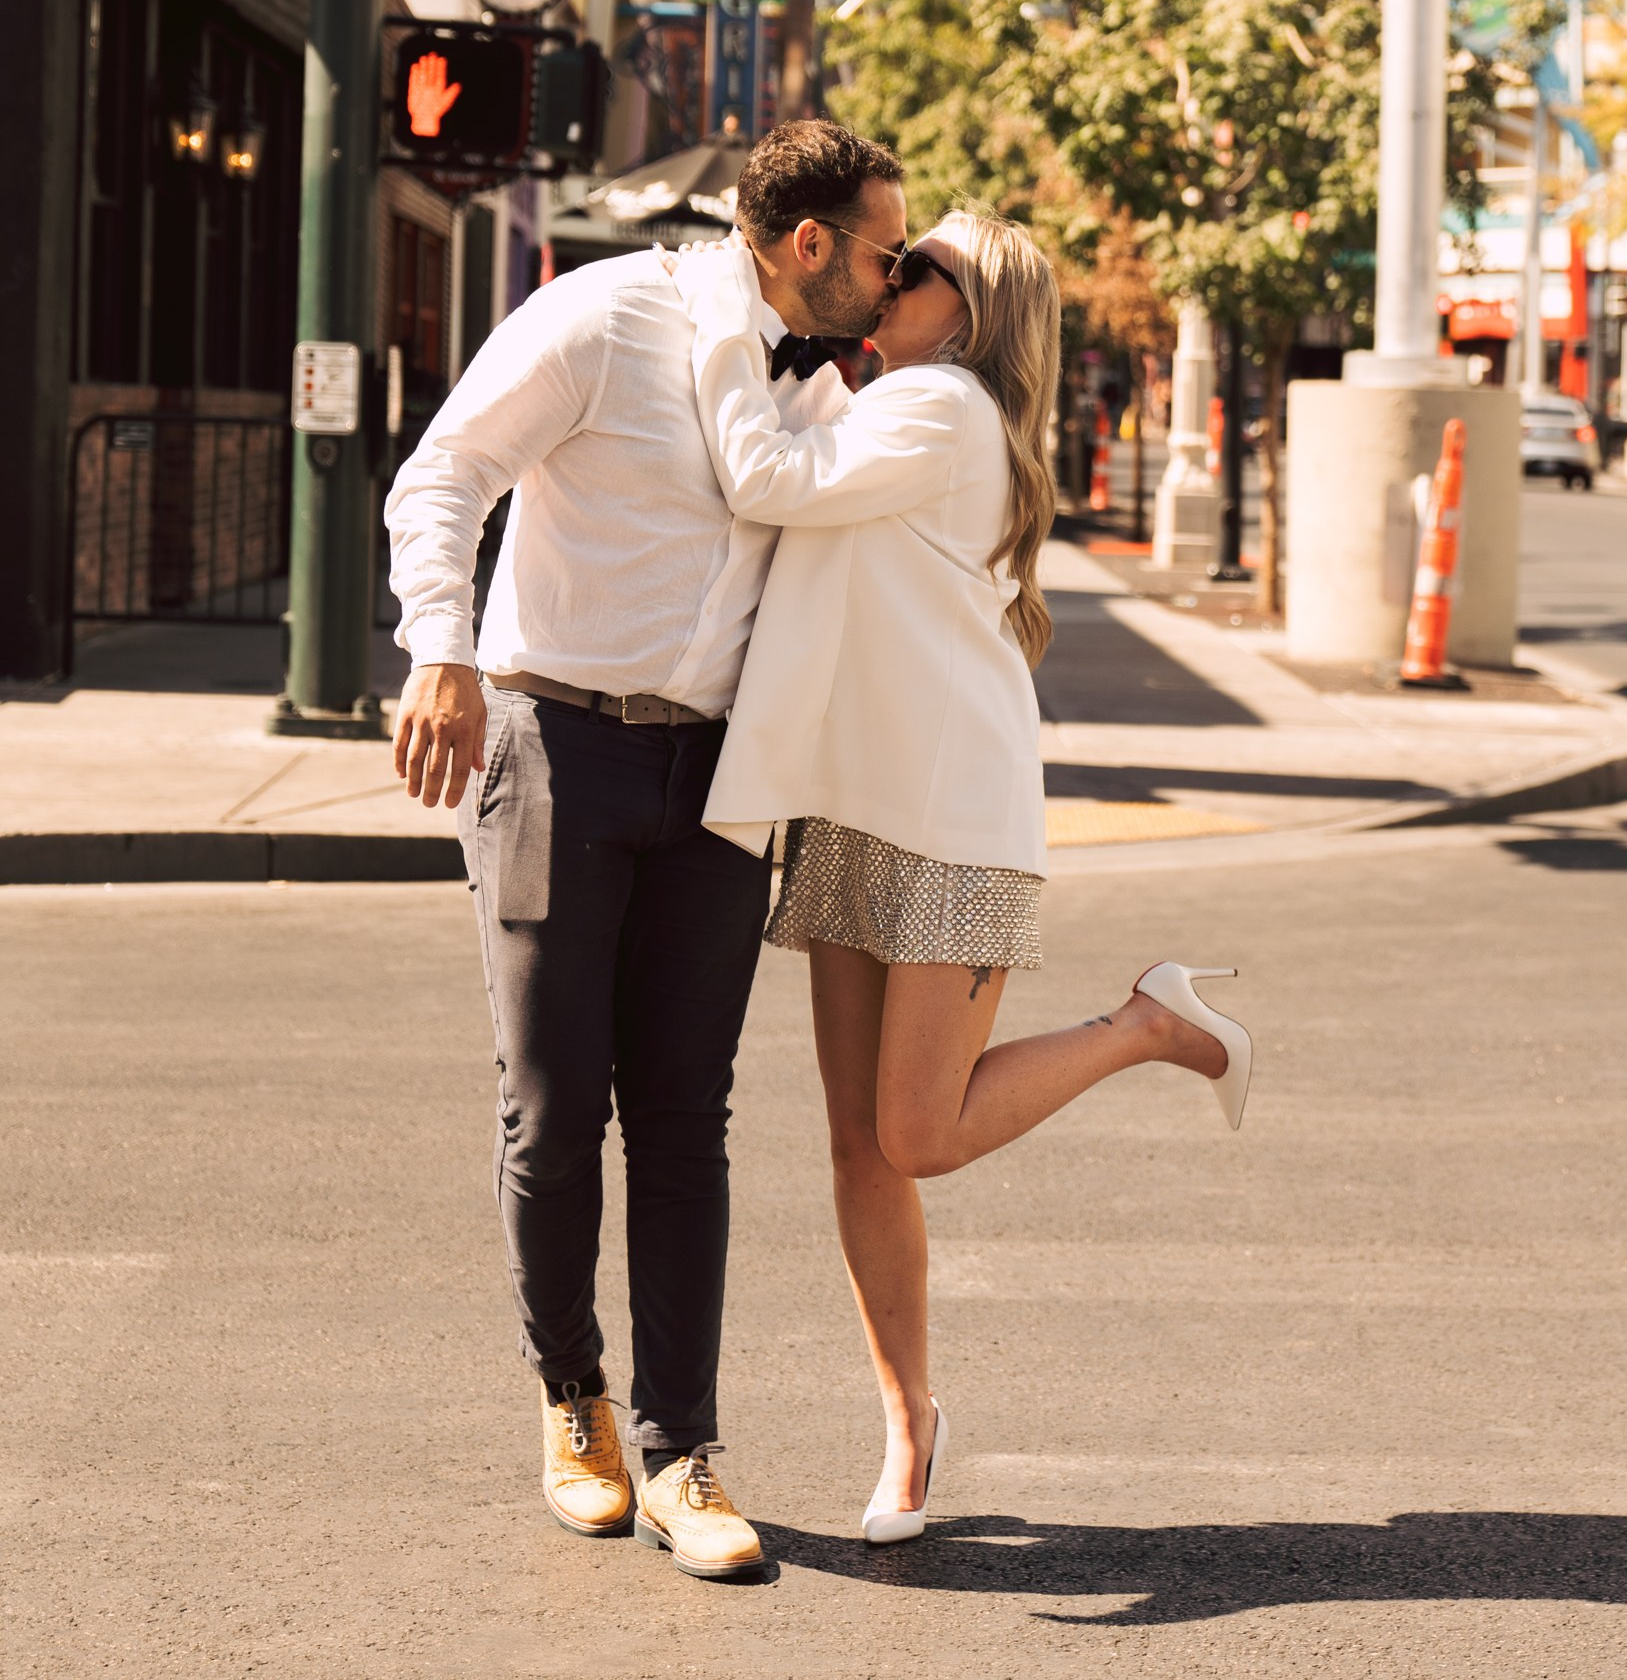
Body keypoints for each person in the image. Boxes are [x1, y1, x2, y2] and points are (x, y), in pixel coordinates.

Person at [385, 117, 908, 1583]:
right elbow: (441, 478)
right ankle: (575, 1403)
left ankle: (685, 1450)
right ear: (806, 245)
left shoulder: (834, 383)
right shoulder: (606, 316)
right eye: (884, 250)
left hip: (724, 776)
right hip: (556, 742)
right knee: (555, 1111)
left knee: (688, 1116)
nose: (896, 272)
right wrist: (442, 655)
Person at [688, 206, 1253, 1546]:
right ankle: (908, 1425)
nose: (891, 278)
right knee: (855, 1144)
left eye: (919, 265)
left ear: (975, 309)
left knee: (915, 1134)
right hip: (851, 806)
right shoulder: (890, 398)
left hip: (949, 816)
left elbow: (764, 479)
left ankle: (1147, 1024)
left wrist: (725, 304)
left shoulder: (940, 410)